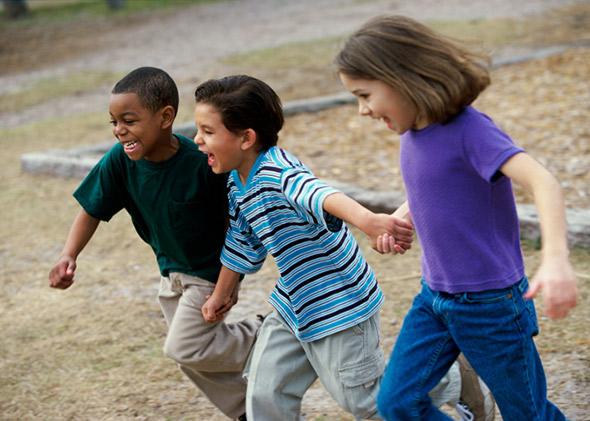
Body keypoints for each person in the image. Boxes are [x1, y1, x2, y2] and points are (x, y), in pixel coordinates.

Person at [193, 75, 493, 421]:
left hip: (339, 302)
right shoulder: (235, 183)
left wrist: (368, 220)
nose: (198, 140)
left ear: (246, 138)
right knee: (264, 392)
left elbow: (317, 192)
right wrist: (221, 294)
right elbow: (241, 242)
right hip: (295, 303)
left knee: (365, 400)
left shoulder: (278, 171)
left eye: (208, 132)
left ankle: (453, 378)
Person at [335, 15, 579, 420]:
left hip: (490, 306)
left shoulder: (471, 131)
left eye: (365, 95)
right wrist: (403, 214)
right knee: (397, 403)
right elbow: (436, 186)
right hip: (434, 299)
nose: (363, 111)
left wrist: (555, 260)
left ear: (402, 77)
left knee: (528, 414)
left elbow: (544, 181)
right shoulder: (413, 132)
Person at [48, 67, 260, 421]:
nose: (119, 130)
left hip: (209, 271)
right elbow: (91, 209)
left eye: (129, 120)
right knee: (188, 356)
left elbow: (237, 225)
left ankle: (267, 334)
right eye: (113, 122)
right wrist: (68, 255)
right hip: (171, 272)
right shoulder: (120, 160)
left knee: (184, 347)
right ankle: (249, 411)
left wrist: (230, 282)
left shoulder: (201, 163)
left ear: (165, 117)